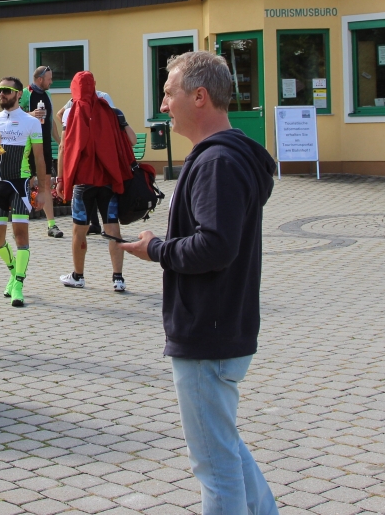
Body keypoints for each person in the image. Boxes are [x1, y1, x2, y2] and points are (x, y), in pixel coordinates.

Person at [121, 51, 279, 515]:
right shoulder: (226, 156)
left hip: (208, 332)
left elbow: (215, 246)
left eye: (168, 93)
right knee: (223, 446)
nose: (163, 105)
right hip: (220, 328)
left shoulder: (217, 163)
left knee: (214, 465)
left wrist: (156, 249)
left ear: (200, 96)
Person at [54, 73, 134, 293]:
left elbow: (63, 148)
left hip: (83, 182)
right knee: (112, 228)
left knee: (79, 230)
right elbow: (131, 140)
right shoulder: (110, 110)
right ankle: (118, 279)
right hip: (108, 179)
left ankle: (78, 276)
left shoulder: (70, 112)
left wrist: (61, 179)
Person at [0, 78, 46, 307]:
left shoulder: (31, 122)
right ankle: (14, 272)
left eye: (7, 90)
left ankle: (18, 285)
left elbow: (39, 158)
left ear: (19, 94)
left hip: (19, 184)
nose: (2, 94)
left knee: (21, 237)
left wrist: (43, 190)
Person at [20, 66, 63, 238]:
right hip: (28, 146)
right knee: (26, 184)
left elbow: (51, 120)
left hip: (44, 146)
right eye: (49, 79)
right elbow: (14, 114)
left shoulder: (48, 95)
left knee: (45, 184)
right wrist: (31, 114)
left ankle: (52, 225)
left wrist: (60, 142)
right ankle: (20, 225)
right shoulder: (25, 93)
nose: (51, 82)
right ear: (40, 79)